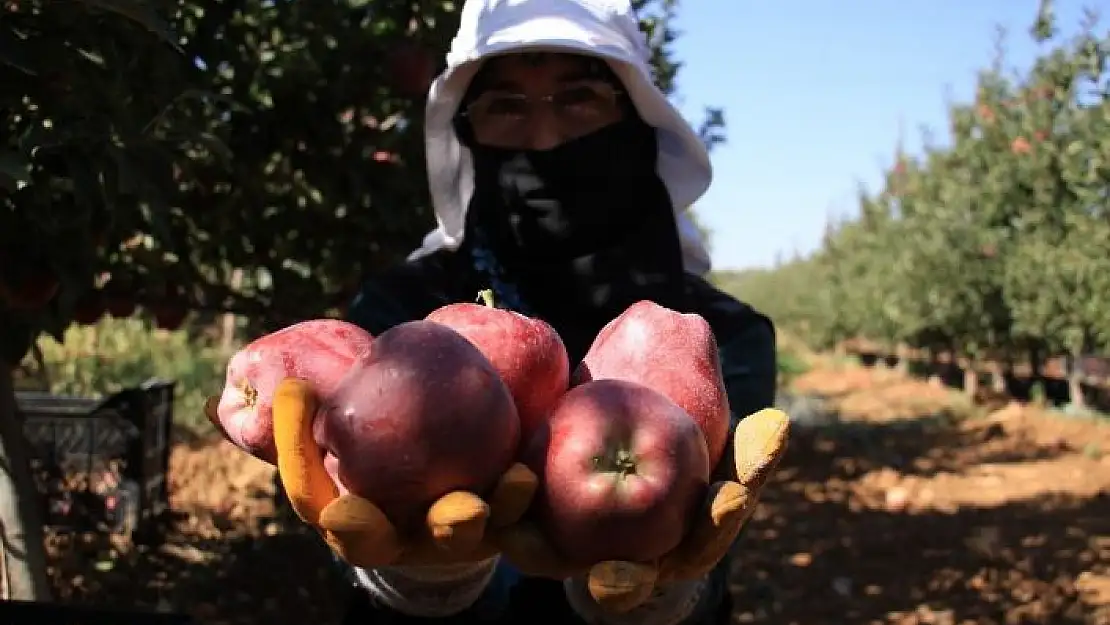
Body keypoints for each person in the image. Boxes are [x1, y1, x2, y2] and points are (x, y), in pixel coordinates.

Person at [267, 0, 789, 623]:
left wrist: (655, 591)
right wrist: (426, 580)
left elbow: (707, 560)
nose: (544, 138)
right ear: (467, 132)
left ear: (634, 121)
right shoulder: (400, 319)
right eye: (505, 106)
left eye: (579, 99)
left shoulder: (717, 338)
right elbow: (367, 527)